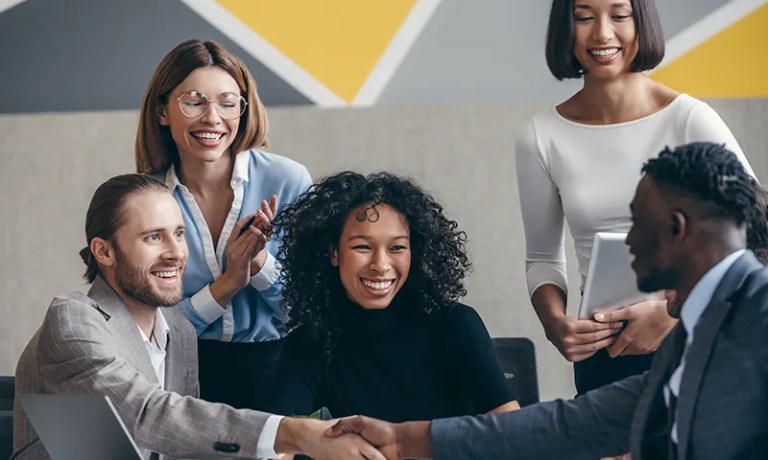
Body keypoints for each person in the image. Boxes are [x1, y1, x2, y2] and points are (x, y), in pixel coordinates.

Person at [328, 142, 768, 459]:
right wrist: (406, 440)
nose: (628, 240)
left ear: (676, 229)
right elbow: (576, 424)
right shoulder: (698, 330)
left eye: (636, 224)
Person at [12, 174, 384, 460]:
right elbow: (145, 414)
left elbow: (181, 445)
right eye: (153, 237)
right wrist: (294, 432)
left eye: (179, 234)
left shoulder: (178, 331)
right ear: (104, 252)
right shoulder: (73, 320)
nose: (176, 253)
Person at [516, 0, 755, 395]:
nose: (602, 33)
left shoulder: (689, 118)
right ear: (565, 26)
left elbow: (758, 234)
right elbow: (542, 258)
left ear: (640, 21)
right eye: (584, 17)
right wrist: (555, 324)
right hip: (606, 352)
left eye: (619, 14)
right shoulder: (540, 136)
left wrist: (672, 314)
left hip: (695, 336)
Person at [135, 39, 312, 410]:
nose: (212, 118)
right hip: (181, 378)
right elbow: (150, 329)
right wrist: (228, 284)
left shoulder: (288, 181)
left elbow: (309, 311)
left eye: (228, 103)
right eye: (194, 101)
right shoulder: (146, 199)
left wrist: (259, 264)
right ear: (162, 112)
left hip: (281, 372)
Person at [269, 172, 519, 423]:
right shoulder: (310, 342)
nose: (380, 265)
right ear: (334, 252)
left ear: (415, 251)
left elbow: (513, 434)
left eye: (396, 247)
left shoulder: (455, 323)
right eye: (362, 247)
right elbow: (279, 443)